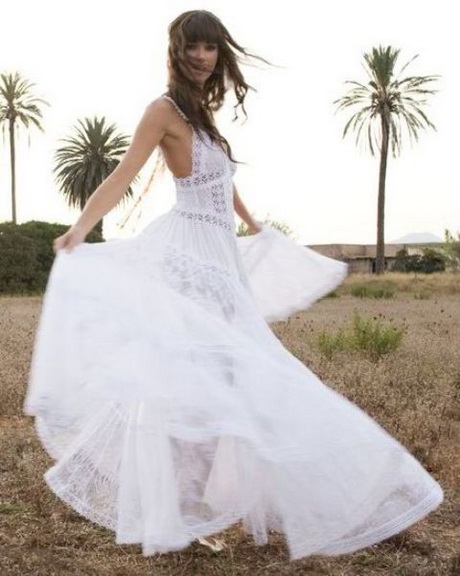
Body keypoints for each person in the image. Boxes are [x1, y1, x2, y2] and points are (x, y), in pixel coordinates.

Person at [24, 9, 443, 561]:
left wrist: (254, 225)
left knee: (226, 387)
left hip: (223, 263)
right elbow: (123, 172)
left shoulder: (205, 118)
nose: (202, 56)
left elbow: (223, 182)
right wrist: (80, 228)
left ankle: (190, 506)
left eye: (211, 48)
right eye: (193, 47)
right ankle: (178, 512)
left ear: (220, 54)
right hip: (188, 261)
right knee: (196, 389)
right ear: (176, 51)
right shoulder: (163, 110)